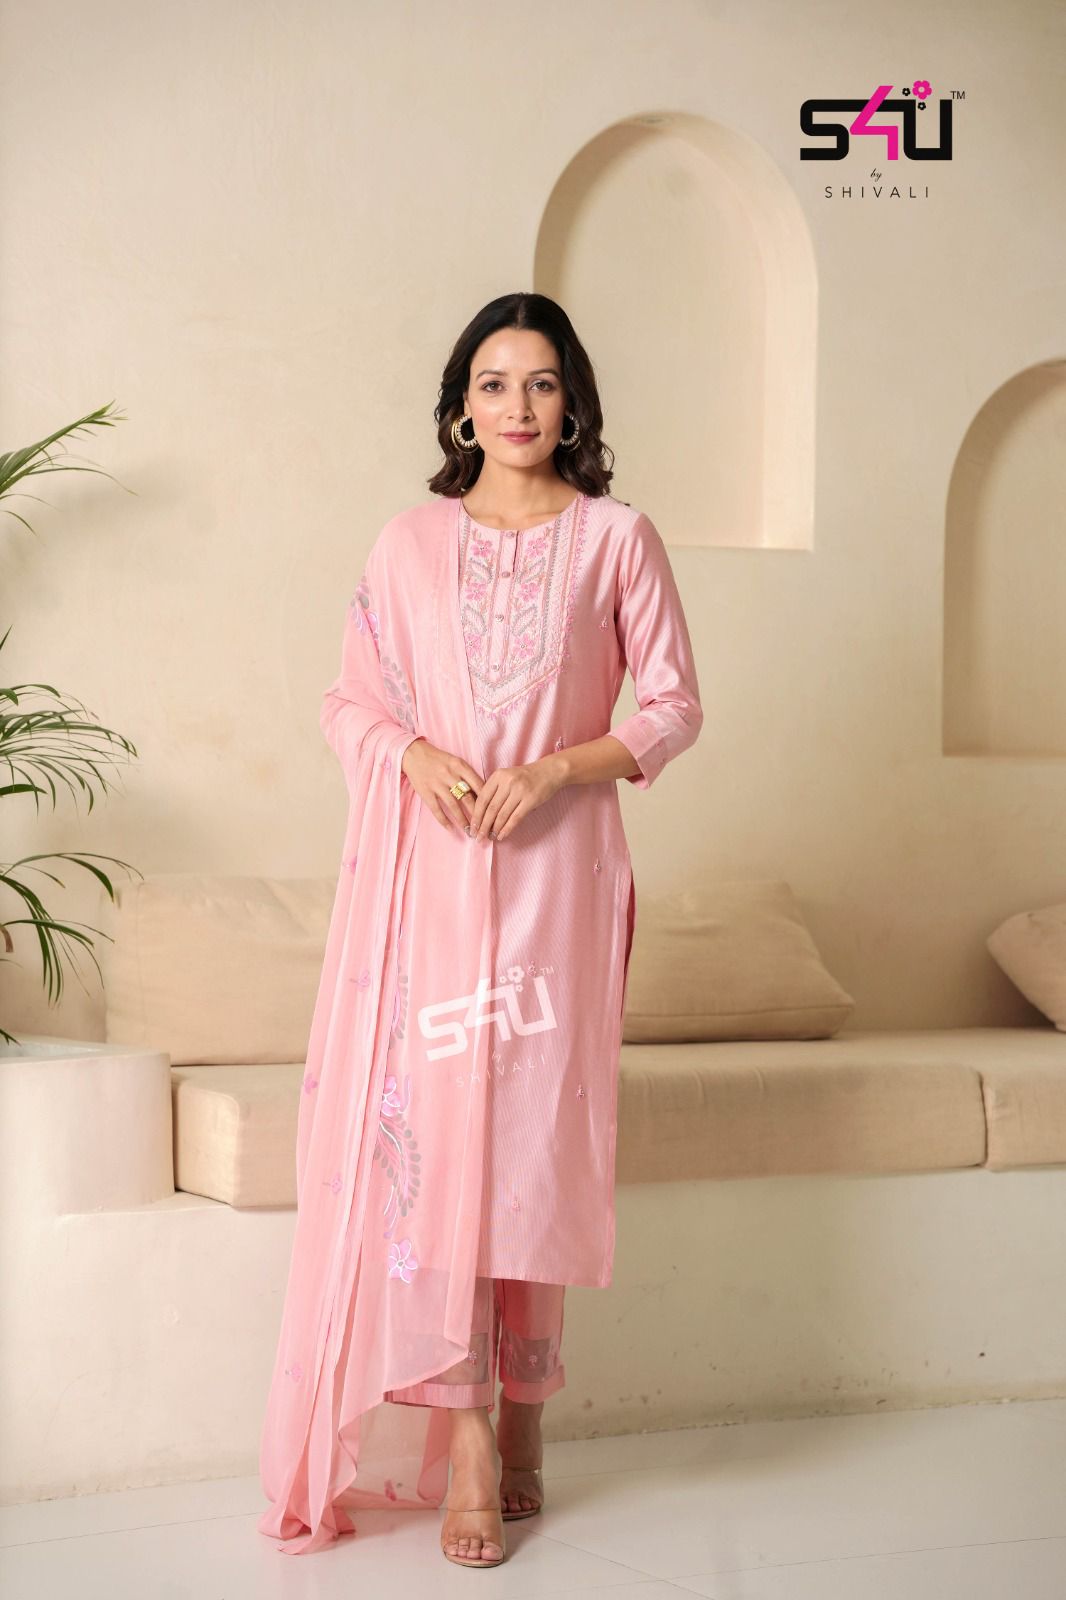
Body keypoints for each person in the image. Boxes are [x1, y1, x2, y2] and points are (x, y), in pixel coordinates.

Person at [257, 291, 703, 1567]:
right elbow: (348, 701)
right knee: (443, 1146)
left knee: (529, 1152)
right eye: (495, 383)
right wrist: (412, 754)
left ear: (573, 403)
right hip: (434, 887)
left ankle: (526, 1410)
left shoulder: (617, 538)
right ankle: (463, 1440)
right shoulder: (408, 544)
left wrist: (558, 768)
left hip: (560, 884)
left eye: (542, 383)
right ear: (461, 404)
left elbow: (673, 704)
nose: (518, 406)